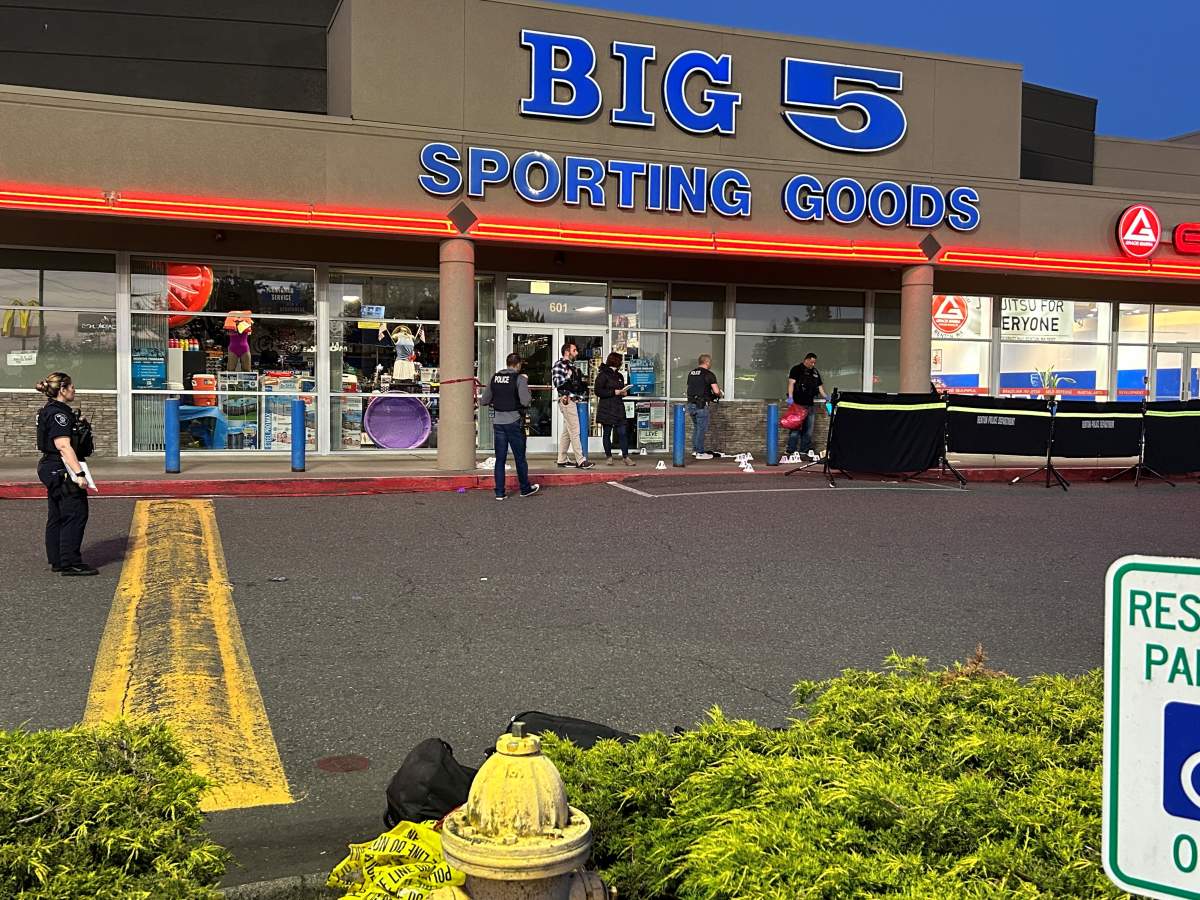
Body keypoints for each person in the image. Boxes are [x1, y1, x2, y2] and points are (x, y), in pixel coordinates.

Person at [34, 372, 97, 575]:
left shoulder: (54, 410)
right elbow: (63, 445)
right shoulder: (58, 414)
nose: (74, 389)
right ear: (62, 390)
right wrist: (79, 474)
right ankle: (70, 563)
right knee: (75, 513)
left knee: (58, 515)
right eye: (71, 387)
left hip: (51, 466)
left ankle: (58, 560)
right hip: (60, 467)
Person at [480, 353, 540, 500]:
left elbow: (484, 400)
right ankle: (525, 488)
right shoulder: (519, 379)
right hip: (514, 421)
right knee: (520, 458)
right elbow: (525, 401)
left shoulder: (495, 378)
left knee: (500, 459)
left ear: (507, 363)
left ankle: (499, 492)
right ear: (518, 364)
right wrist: (526, 387)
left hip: (498, 423)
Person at [551, 340, 594, 469]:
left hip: (573, 400)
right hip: (567, 400)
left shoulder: (572, 366)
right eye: (574, 350)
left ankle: (562, 459)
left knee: (567, 432)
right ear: (567, 352)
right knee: (575, 430)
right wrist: (568, 376)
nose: (576, 353)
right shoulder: (559, 365)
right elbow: (557, 383)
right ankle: (580, 460)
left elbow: (577, 385)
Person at [594, 352, 636, 466]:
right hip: (606, 407)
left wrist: (624, 392)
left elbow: (620, 390)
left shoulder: (619, 375)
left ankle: (625, 456)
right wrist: (614, 392)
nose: (621, 362)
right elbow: (598, 391)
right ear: (615, 361)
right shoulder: (603, 375)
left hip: (618, 407)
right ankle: (609, 457)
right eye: (620, 360)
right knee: (607, 433)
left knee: (622, 432)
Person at [786, 352, 828, 459]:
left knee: (808, 430)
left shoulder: (815, 372)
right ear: (806, 360)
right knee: (795, 428)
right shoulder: (796, 369)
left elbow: (820, 387)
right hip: (798, 404)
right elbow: (791, 383)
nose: (813, 364)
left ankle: (804, 451)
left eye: (814, 363)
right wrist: (790, 397)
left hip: (810, 404)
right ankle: (791, 451)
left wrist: (826, 397)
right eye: (811, 362)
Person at [686, 354, 722, 459]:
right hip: (701, 405)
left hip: (691, 404)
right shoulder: (709, 374)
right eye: (710, 362)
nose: (711, 364)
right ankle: (700, 452)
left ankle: (695, 450)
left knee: (697, 428)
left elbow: (690, 388)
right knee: (701, 429)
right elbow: (716, 391)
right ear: (707, 362)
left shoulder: (691, 373)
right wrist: (719, 394)